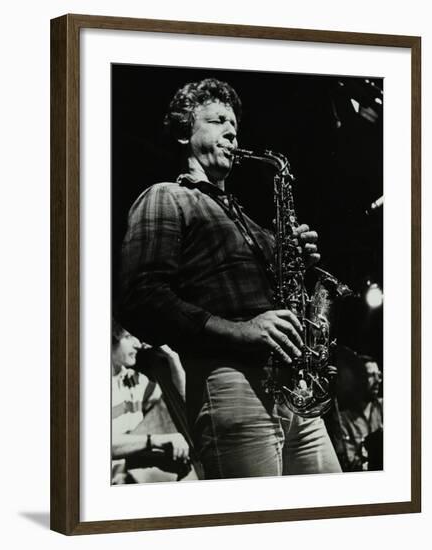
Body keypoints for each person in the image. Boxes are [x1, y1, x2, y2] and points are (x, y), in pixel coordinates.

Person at [118, 78, 341, 478]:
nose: (232, 130)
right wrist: (240, 332)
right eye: (218, 119)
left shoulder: (252, 221)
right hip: (233, 386)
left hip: (295, 391)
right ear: (185, 132)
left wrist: (293, 260)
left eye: (235, 123)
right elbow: (141, 297)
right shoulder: (167, 196)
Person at [111, 320, 190, 484]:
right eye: (128, 336)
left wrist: (171, 357)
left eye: (137, 337)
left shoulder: (135, 381)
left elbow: (183, 402)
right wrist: (153, 441)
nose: (138, 344)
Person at [333, 355, 383, 471]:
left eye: (379, 375)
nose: (378, 380)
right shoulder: (341, 418)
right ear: (357, 379)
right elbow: (348, 463)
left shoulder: (386, 407)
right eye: (371, 375)